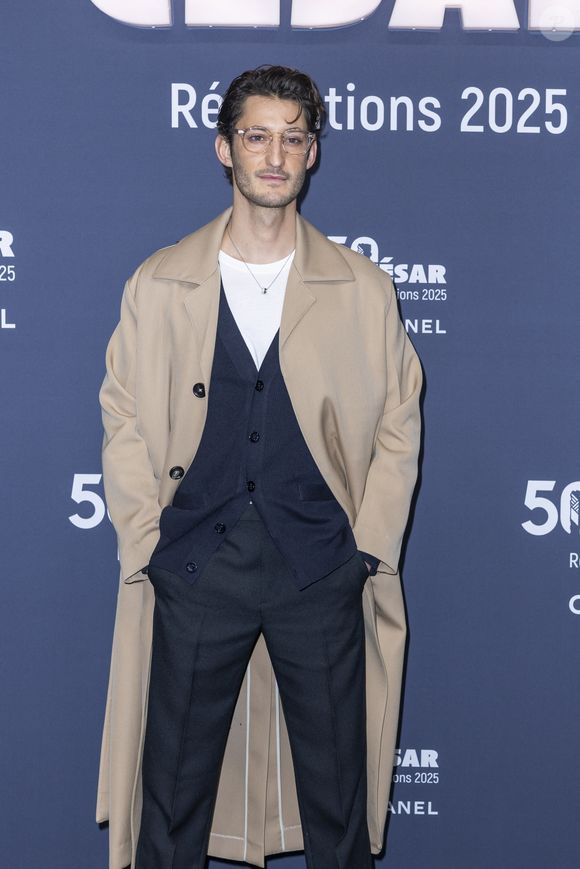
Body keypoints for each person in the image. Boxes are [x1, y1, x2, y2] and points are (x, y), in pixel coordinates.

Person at [96, 65, 422, 869]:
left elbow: (399, 420)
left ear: (313, 152)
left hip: (320, 570)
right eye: (256, 136)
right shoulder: (160, 281)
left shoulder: (363, 289)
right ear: (225, 148)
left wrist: (366, 550)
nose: (274, 156)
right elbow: (122, 412)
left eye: (292, 138)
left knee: (338, 807)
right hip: (195, 568)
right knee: (170, 805)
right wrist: (147, 543)